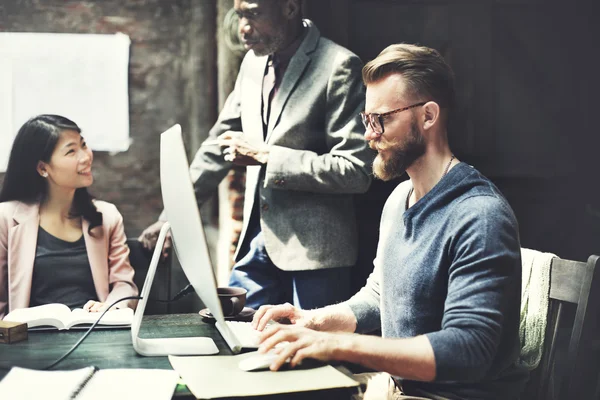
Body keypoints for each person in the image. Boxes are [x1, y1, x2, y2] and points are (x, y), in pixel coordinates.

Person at [251, 44, 528, 400]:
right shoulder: (399, 199)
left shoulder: (480, 215)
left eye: (381, 119)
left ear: (428, 116)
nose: (369, 135)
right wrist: (313, 322)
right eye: (367, 120)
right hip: (394, 388)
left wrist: (336, 345)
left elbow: (467, 350)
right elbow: (380, 297)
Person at [139, 0, 373, 310]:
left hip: (315, 259)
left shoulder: (339, 65)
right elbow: (216, 146)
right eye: (239, 15)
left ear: (289, 8)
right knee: (232, 335)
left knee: (311, 353)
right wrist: (171, 216)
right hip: (254, 245)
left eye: (254, 14)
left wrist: (268, 156)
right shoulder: (252, 63)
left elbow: (355, 170)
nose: (243, 28)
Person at [0, 115, 138, 319]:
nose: (86, 156)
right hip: (29, 341)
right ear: (42, 168)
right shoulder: (6, 219)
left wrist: (110, 308)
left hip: (94, 333)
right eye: (71, 151)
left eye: (84, 145)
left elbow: (124, 283)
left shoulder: (106, 216)